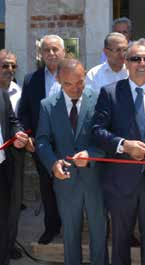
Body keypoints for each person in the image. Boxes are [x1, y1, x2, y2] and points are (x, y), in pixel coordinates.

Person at [92, 39, 145, 265]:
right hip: (120, 180)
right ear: (126, 63)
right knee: (120, 241)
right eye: (135, 58)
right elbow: (97, 131)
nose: (141, 63)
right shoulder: (109, 93)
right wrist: (123, 144)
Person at [36, 58, 107, 265]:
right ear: (58, 80)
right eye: (68, 84)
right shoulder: (47, 105)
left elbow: (107, 136)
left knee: (99, 234)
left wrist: (92, 154)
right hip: (65, 181)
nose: (76, 89)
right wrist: (52, 163)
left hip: (95, 179)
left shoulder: (100, 98)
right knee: (70, 235)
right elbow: (42, 141)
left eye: (80, 82)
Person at [18, 34, 65, 244]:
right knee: (47, 188)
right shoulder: (31, 79)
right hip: (42, 145)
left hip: (69, 143)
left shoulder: (73, 74)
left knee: (71, 187)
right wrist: (28, 137)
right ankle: (51, 227)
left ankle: (72, 225)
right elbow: (24, 112)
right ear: (41, 54)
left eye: (55, 49)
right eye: (47, 50)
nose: (52, 53)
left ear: (64, 52)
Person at [0, 49, 25, 260]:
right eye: (4, 65)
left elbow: (12, 120)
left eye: (12, 66)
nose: (9, 70)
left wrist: (19, 133)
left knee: (9, 208)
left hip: (8, 159)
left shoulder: (6, 92)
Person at [0, 89, 29, 265]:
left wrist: (17, 134)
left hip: (2, 168)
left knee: (3, 223)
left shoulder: (2, 94)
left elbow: (12, 121)